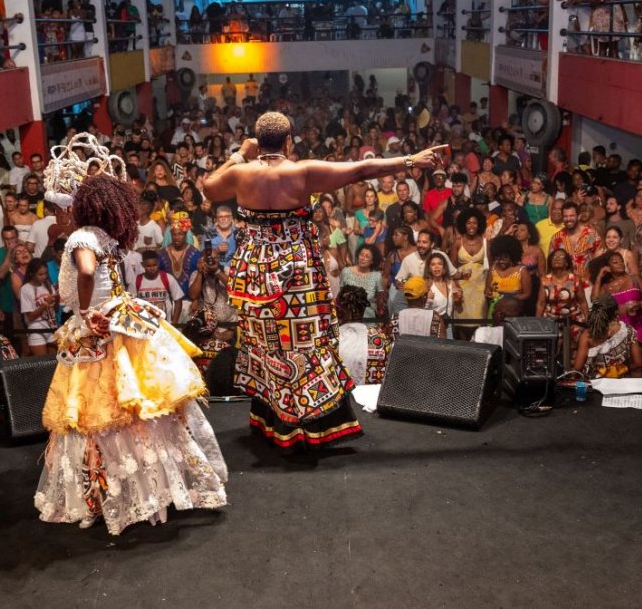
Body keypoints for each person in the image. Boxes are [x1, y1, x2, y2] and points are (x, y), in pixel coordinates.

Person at [202, 111, 445, 449]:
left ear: (258, 142)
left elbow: (209, 186)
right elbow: (362, 169)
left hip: (256, 278)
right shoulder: (303, 171)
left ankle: (274, 421)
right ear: (289, 140)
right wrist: (410, 159)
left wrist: (241, 154)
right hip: (296, 278)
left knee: (268, 346)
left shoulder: (240, 173)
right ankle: (310, 424)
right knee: (305, 348)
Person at [34, 134, 227, 535]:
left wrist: (85, 310)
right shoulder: (106, 236)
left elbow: (87, 271)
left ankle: (118, 494)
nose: (56, 214)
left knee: (100, 413)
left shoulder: (81, 238)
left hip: (99, 330)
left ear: (71, 208)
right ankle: (149, 488)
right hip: (122, 321)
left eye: (57, 207)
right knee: (141, 410)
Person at [592, 251, 642, 374]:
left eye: (621, 261)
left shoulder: (634, 278)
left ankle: (637, 391)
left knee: (637, 364)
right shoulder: (606, 286)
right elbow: (595, 301)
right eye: (615, 262)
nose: (620, 264)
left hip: (638, 323)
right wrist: (599, 278)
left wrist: (639, 304)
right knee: (621, 364)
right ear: (608, 267)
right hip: (618, 328)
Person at [335, 286, 394, 386]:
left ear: (339, 310)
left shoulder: (331, 341)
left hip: (341, 400)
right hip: (371, 400)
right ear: (364, 309)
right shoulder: (381, 340)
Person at [572, 294, 635, 378]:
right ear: (616, 312)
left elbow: (578, 367)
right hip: (621, 383)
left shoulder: (587, 335)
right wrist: (616, 371)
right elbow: (637, 363)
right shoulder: (628, 331)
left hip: (594, 385)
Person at [19, 257, 58, 355]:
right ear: (31, 273)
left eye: (45, 273)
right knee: (42, 363)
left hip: (51, 326)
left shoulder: (48, 285)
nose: (44, 277)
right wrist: (46, 303)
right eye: (40, 274)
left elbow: (55, 310)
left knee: (54, 361)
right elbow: (30, 317)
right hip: (36, 328)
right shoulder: (26, 289)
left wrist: (57, 298)